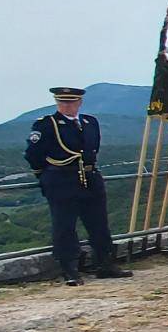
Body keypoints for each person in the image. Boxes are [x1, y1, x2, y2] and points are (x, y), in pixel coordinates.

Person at [24, 86, 133, 285]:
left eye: (72, 102)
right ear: (57, 103)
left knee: (98, 223)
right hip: (61, 180)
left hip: (89, 178)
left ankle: (105, 263)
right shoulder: (47, 125)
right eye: (63, 102)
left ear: (79, 103)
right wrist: (46, 177)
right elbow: (33, 155)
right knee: (65, 225)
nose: (68, 106)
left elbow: (92, 149)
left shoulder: (90, 123)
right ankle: (70, 269)